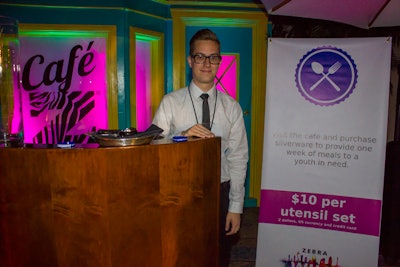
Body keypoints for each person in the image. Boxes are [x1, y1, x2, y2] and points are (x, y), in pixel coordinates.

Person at [152, 28, 248, 266]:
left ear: (219, 61)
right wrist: (180, 137)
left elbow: (238, 158)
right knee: (180, 256)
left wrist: (236, 207)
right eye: (200, 56)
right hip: (179, 194)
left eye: (213, 57)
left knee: (218, 256)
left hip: (220, 192)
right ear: (190, 61)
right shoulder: (171, 102)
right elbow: (152, 148)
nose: (207, 63)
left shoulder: (231, 107)